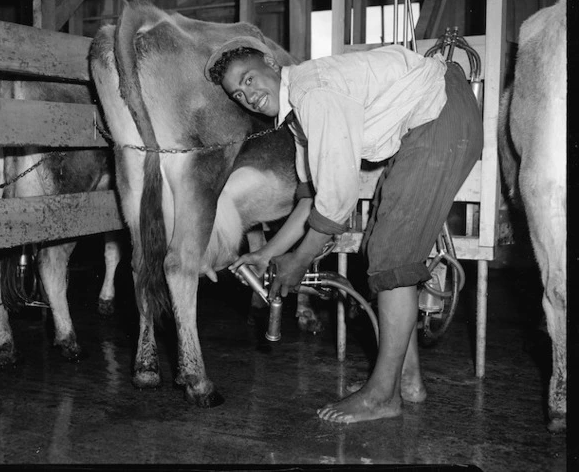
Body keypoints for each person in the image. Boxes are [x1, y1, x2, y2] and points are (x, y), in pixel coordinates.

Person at [204, 37, 483, 423]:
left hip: (440, 112)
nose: (247, 95)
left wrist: (299, 261)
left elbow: (337, 199)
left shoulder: (312, 91)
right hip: (431, 118)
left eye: (249, 79)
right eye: (238, 93)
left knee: (393, 254)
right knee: (381, 250)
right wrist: (267, 253)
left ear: (270, 62)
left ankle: (383, 396)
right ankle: (407, 379)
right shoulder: (298, 113)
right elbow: (310, 197)